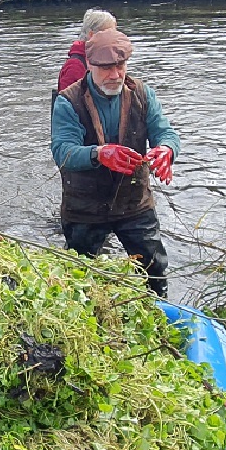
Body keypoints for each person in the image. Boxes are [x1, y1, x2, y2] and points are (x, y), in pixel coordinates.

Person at [50, 29, 180, 297]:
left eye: (119, 66)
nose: (115, 75)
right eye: (106, 68)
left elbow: (165, 132)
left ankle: (160, 309)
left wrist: (166, 150)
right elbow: (62, 152)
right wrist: (99, 154)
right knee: (80, 275)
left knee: (154, 267)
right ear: (89, 65)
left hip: (134, 201)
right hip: (84, 206)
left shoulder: (143, 94)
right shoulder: (68, 101)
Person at [56, 8, 117, 96]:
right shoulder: (75, 66)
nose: (114, 38)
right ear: (92, 35)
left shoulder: (104, 60)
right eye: (109, 34)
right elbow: (67, 101)